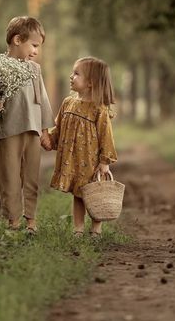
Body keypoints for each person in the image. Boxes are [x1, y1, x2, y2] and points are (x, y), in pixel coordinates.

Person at [0, 16, 54, 234]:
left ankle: (31, 221)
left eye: (38, 47)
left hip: (32, 131)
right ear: (17, 40)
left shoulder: (34, 70)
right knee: (10, 177)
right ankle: (13, 222)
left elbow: (42, 100)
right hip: (9, 132)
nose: (36, 51)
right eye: (33, 45)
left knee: (32, 177)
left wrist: (45, 131)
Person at [43, 57, 117, 237]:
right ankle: (78, 229)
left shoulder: (98, 108)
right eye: (72, 72)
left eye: (76, 74)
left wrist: (104, 161)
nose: (71, 77)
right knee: (77, 194)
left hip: (90, 161)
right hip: (72, 160)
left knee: (93, 194)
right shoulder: (68, 103)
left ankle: (96, 229)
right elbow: (60, 128)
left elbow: (106, 136)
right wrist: (49, 139)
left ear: (90, 83)